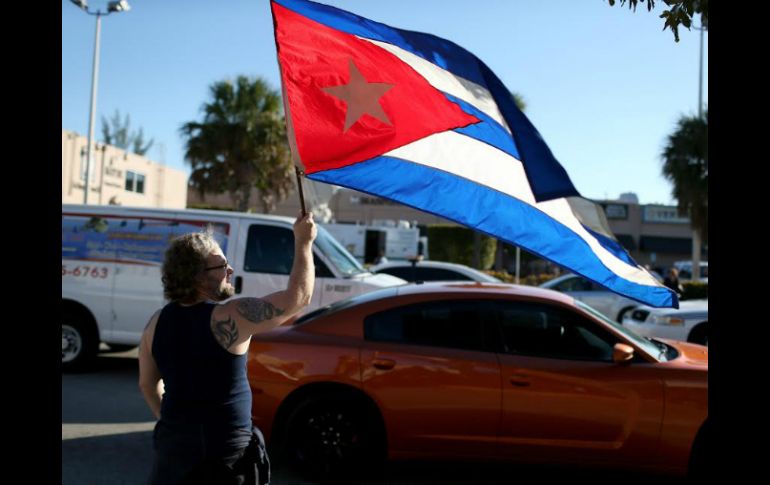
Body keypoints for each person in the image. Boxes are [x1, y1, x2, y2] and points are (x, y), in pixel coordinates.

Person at [139, 213, 316, 485]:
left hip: (174, 454)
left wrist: (171, 422)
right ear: (198, 276)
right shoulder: (229, 315)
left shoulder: (156, 322)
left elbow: (147, 384)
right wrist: (304, 242)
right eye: (222, 264)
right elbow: (299, 297)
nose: (230, 269)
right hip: (225, 461)